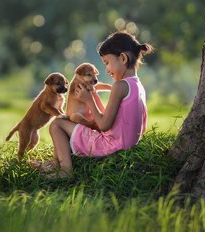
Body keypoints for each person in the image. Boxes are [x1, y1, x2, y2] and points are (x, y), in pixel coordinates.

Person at [34, 31, 153, 178]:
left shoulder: (120, 86)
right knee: (73, 123)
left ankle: (65, 171)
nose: (106, 70)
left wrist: (88, 100)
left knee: (57, 125)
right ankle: (55, 162)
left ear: (122, 58)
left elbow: (104, 125)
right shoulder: (138, 85)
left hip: (110, 146)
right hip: (127, 143)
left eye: (107, 63)